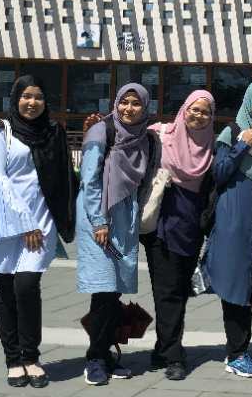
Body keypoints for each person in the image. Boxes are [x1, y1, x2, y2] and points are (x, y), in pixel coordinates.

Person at [0, 75, 76, 388]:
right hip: (8, 225)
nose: (32, 102)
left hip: (42, 222)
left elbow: (65, 176)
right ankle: (13, 360)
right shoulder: (3, 133)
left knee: (26, 286)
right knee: (6, 289)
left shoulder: (53, 132)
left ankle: (31, 356)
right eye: (26, 96)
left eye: (38, 96)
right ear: (15, 99)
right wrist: (23, 223)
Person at [201, 79, 252, 379]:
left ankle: (240, 349)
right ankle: (236, 353)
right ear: (249, 102)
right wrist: (242, 145)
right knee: (236, 286)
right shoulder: (232, 131)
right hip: (234, 222)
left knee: (251, 287)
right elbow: (220, 173)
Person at [76, 83, 156, 386]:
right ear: (116, 103)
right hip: (99, 217)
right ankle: (95, 358)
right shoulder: (101, 131)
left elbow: (146, 180)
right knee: (104, 290)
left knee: (113, 291)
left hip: (126, 219)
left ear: (145, 107)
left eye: (136, 103)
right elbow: (89, 179)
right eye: (124, 102)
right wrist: (99, 222)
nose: (129, 109)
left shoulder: (146, 139)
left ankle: (105, 353)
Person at [142, 90, 216, 381]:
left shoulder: (211, 145)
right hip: (161, 223)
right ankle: (174, 356)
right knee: (167, 291)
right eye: (194, 109)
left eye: (205, 111)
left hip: (190, 225)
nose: (199, 115)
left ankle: (162, 348)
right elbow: (126, 139)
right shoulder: (159, 134)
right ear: (184, 109)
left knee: (179, 291)